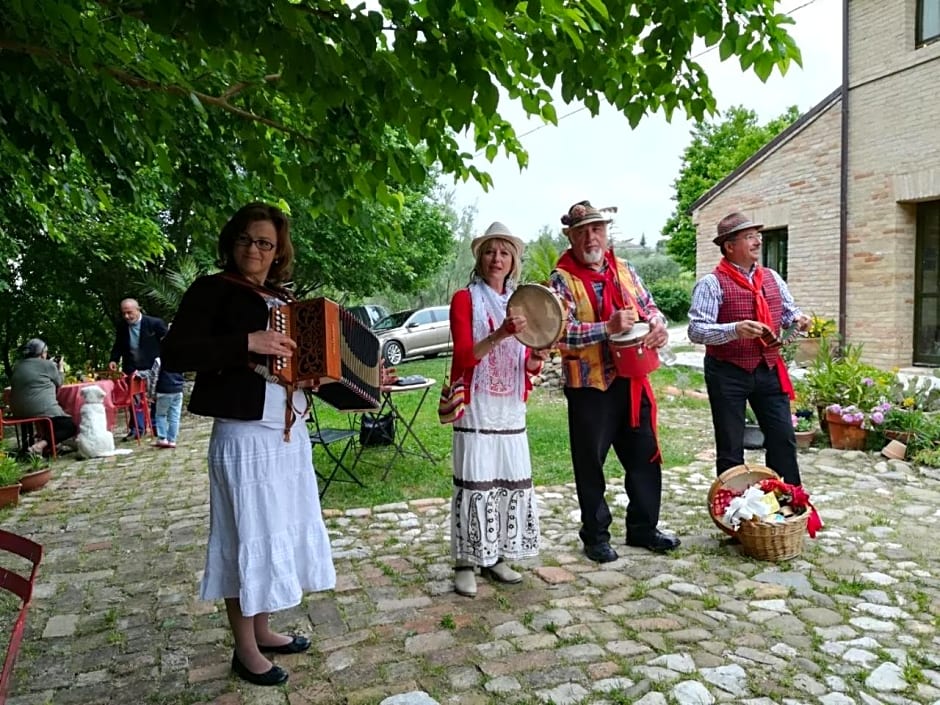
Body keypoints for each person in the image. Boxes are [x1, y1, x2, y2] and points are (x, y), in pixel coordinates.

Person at [161, 202, 335, 687]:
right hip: (243, 434)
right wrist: (246, 343)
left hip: (287, 430)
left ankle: (263, 629)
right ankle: (244, 649)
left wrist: (310, 377)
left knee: (274, 529)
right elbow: (176, 352)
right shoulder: (212, 289)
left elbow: (295, 359)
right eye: (245, 239)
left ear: (278, 252)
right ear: (231, 242)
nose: (253, 249)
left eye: (265, 243)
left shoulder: (282, 296)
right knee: (245, 537)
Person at [549, 201, 680, 563]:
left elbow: (650, 307)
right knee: (590, 463)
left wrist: (657, 325)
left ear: (606, 233)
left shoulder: (625, 268)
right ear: (571, 237)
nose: (591, 236)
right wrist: (607, 328)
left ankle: (642, 528)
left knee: (644, 455)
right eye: (582, 231)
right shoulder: (561, 279)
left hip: (632, 378)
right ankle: (595, 535)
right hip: (590, 384)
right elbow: (559, 333)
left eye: (597, 229)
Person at [448, 222, 547, 598]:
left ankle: (496, 556)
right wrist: (501, 333)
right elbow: (463, 356)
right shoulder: (464, 299)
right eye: (490, 251)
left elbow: (528, 366)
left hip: (509, 407)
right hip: (477, 404)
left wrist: (537, 356)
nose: (497, 259)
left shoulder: (524, 302)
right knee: (475, 482)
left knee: (506, 482)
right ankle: (465, 560)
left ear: (514, 261)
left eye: (505, 252)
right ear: (479, 257)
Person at [688, 211, 809, 486]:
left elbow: (789, 313)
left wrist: (799, 320)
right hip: (727, 372)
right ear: (729, 246)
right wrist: (734, 329)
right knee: (731, 446)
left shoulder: (772, 278)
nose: (757, 242)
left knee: (783, 439)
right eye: (749, 237)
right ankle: (734, 512)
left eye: (758, 236)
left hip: (768, 368)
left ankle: (788, 503)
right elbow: (695, 330)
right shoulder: (711, 283)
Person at [9, 339, 77, 455]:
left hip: (17, 411)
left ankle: (34, 446)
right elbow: (59, 382)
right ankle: (40, 445)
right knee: (69, 426)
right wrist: (60, 367)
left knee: (50, 419)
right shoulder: (48, 365)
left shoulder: (17, 365)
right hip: (41, 409)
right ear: (42, 353)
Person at [108, 298, 168, 375]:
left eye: (129, 312)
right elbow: (118, 345)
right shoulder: (122, 326)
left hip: (154, 369)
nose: (126, 316)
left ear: (138, 309)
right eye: (124, 313)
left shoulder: (155, 323)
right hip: (131, 370)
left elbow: (169, 343)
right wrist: (113, 360)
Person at [153, 363, 184, 449]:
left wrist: (151, 393)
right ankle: (172, 440)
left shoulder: (159, 360)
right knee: (175, 417)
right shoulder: (180, 358)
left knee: (160, 415)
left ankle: (162, 438)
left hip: (163, 390)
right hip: (178, 389)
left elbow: (154, 377)